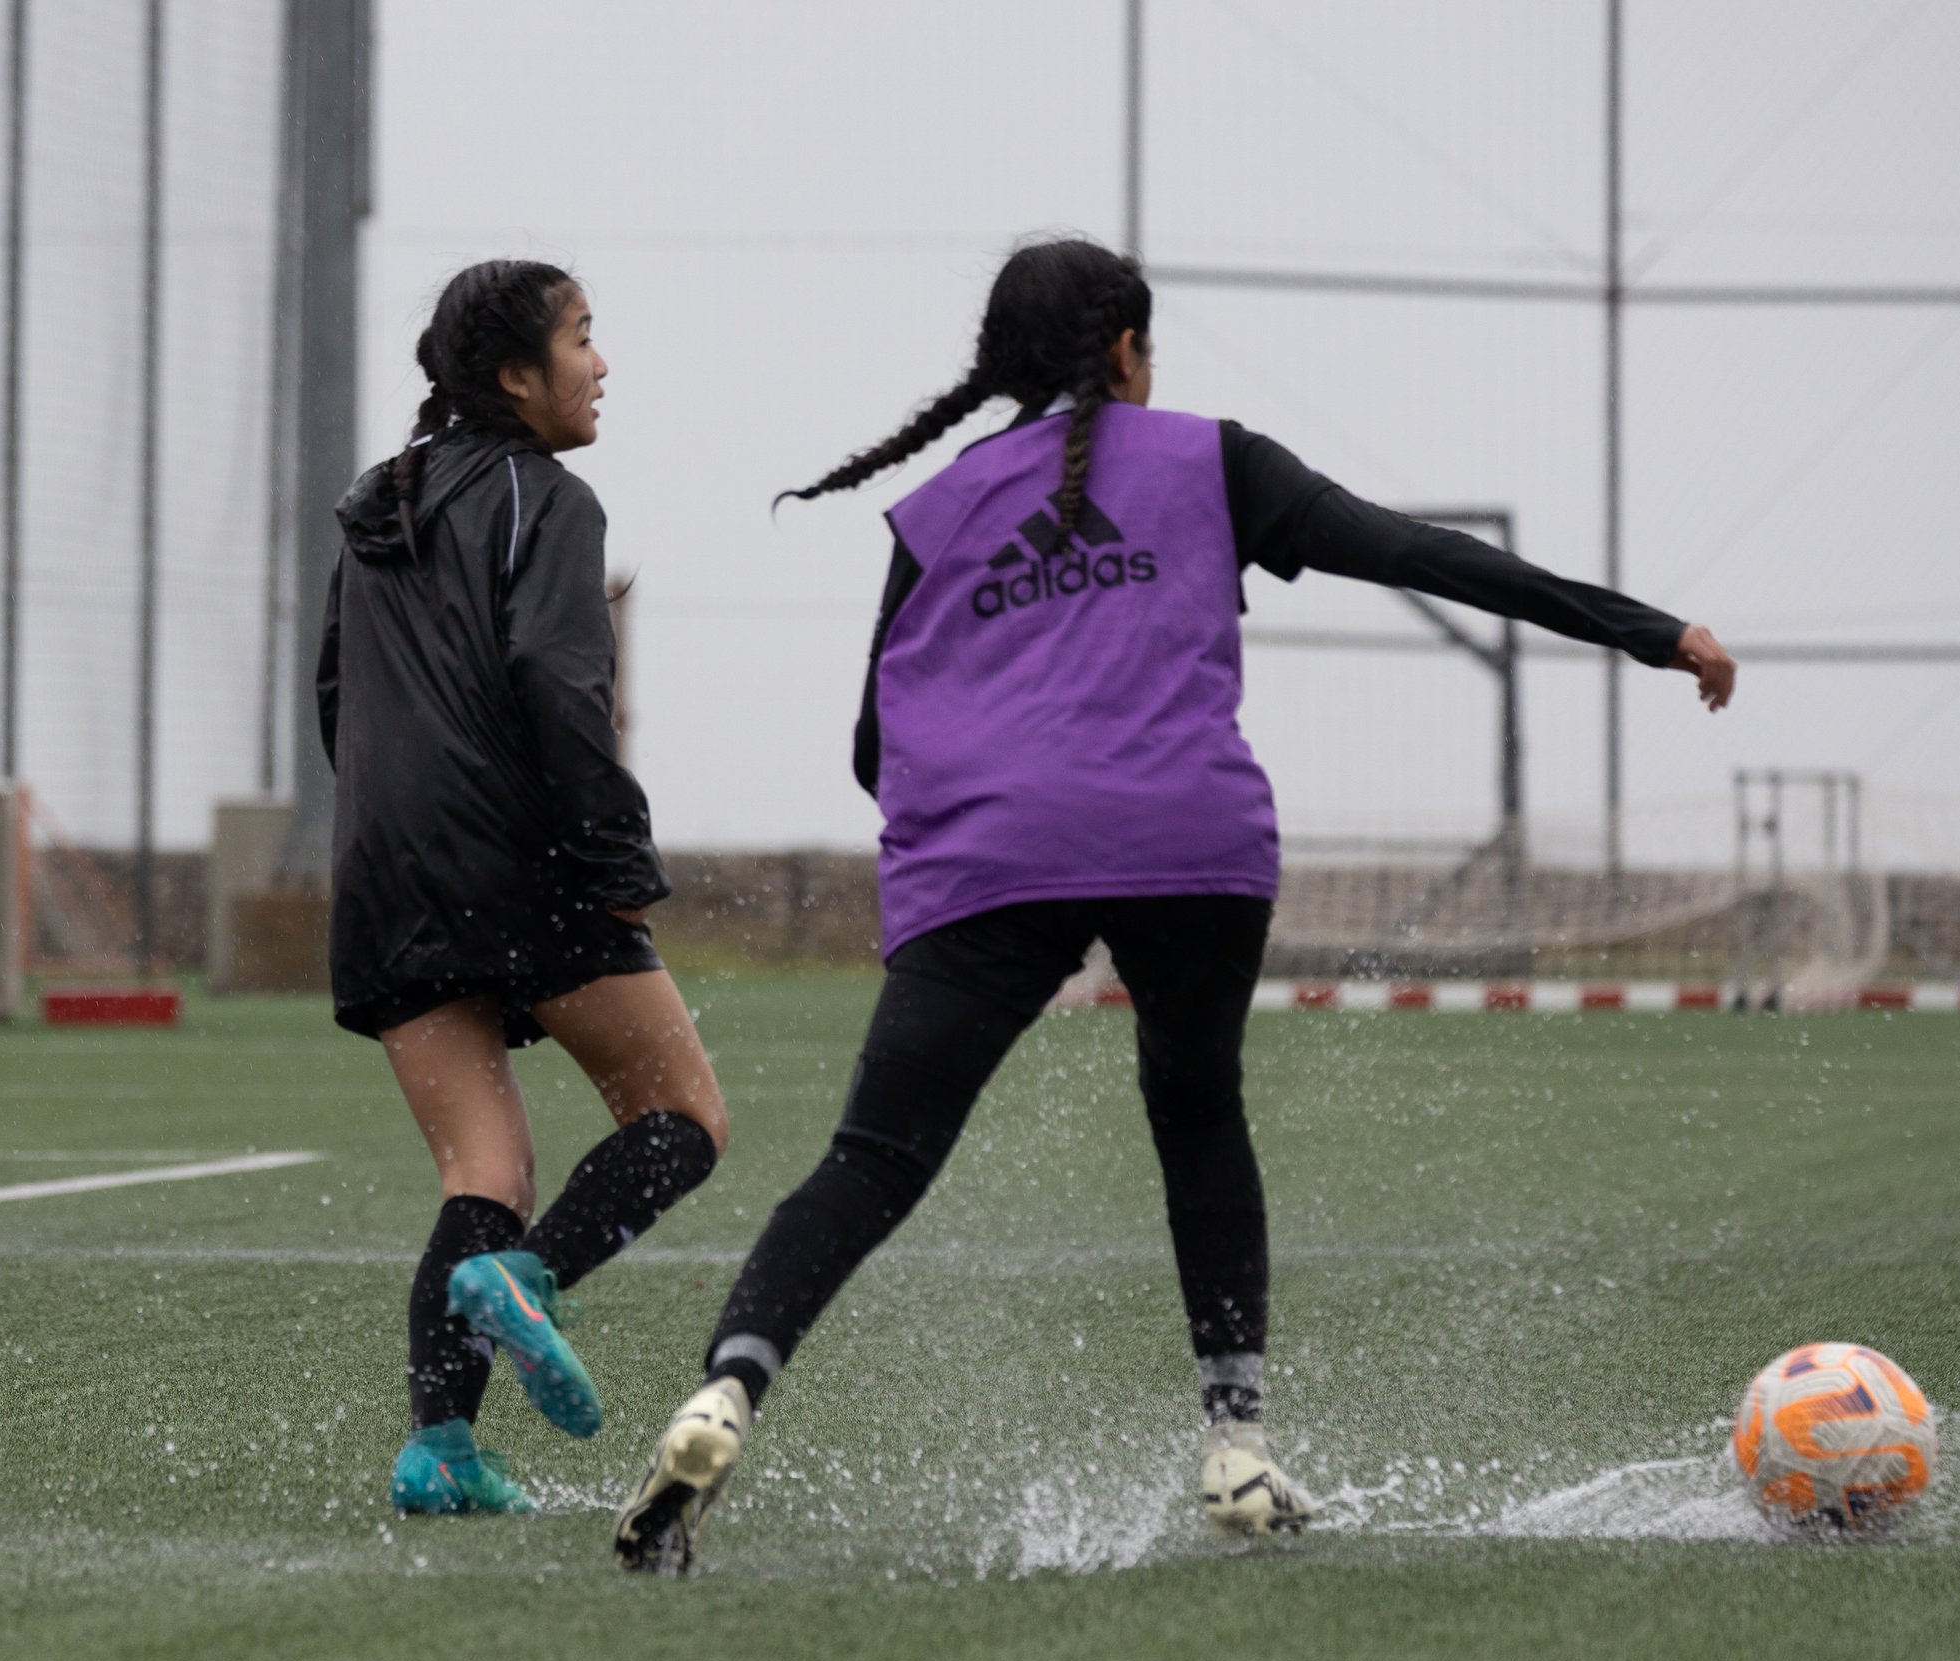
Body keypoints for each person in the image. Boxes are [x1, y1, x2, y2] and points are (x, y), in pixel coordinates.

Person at [612, 236, 1735, 1571]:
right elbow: (1417, 553)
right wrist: (1649, 629)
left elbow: (873, 739)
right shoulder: (1215, 459)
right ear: (1129, 351)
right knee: (1197, 1110)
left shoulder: (935, 513)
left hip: (987, 858)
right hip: (1189, 838)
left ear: (999, 371)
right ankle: (1238, 1439)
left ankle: (726, 1387)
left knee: (872, 1159)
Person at [319, 259, 729, 1516]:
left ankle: (440, 1449)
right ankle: (526, 1278)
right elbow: (560, 688)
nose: (602, 364)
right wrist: (616, 866)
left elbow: (340, 700)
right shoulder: (548, 496)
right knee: (682, 1117)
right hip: (518, 859)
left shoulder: (375, 507)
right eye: (583, 339)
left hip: (382, 874)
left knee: (480, 1164)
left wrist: (405, 835)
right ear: (514, 376)